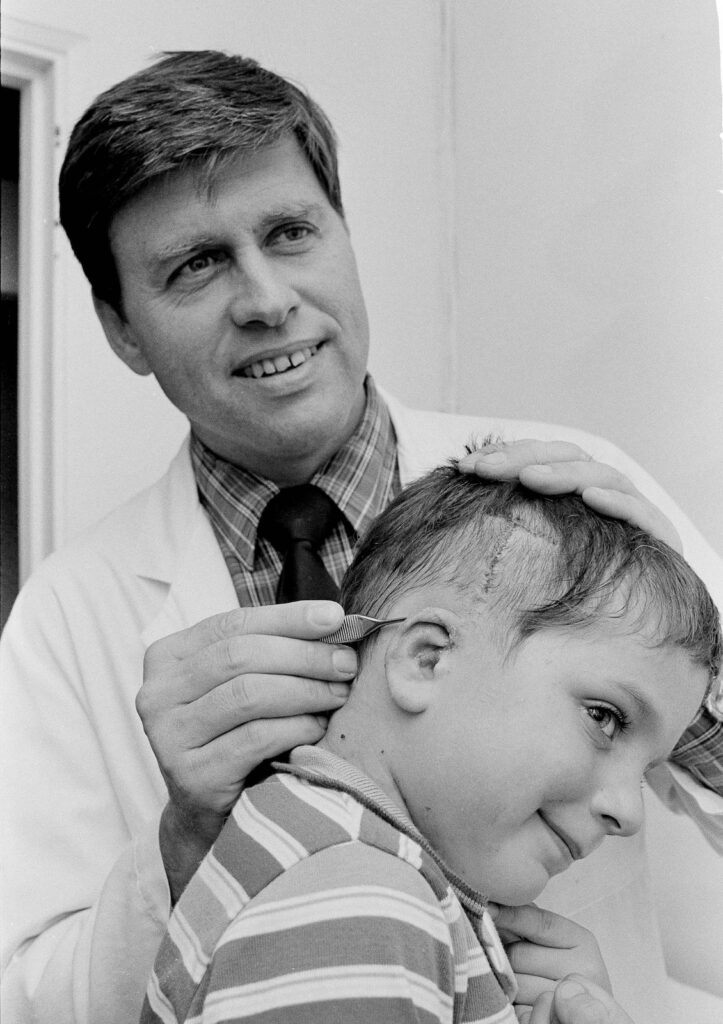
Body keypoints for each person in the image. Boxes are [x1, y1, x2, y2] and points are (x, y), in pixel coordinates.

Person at [0, 49, 721, 1024]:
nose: (265, 300)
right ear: (121, 327)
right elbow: (25, 998)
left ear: (344, 233)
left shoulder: (589, 498)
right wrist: (181, 845)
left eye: (291, 231)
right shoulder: (65, 615)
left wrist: (698, 668)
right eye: (195, 265)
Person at [141, 462, 721, 1023]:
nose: (629, 812)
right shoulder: (363, 911)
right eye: (605, 717)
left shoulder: (342, 866)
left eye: (648, 769)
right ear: (426, 660)